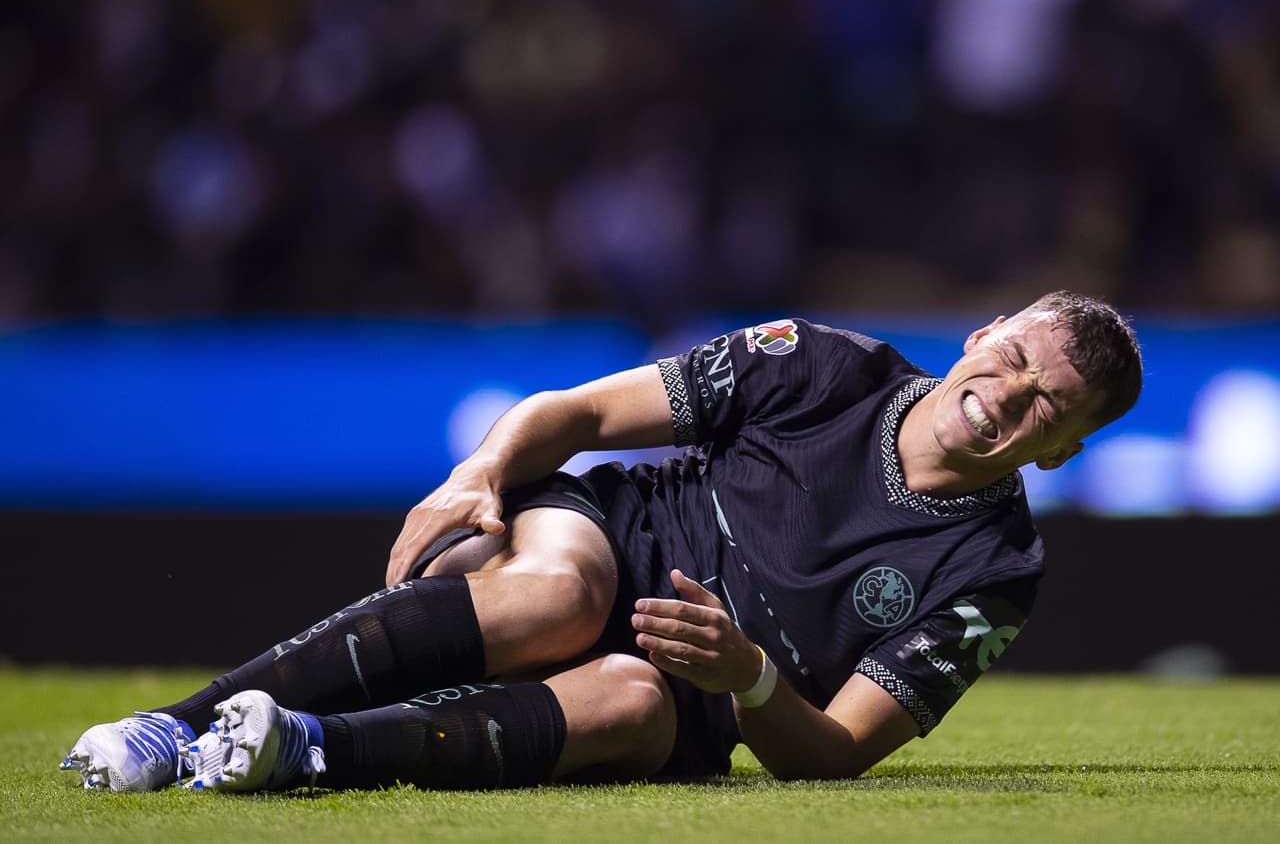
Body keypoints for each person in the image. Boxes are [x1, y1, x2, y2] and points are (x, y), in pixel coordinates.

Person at [61, 290, 1142, 793]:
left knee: (626, 697)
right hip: (606, 541)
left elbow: (842, 749)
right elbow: (572, 416)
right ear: (979, 336)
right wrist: (477, 473)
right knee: (557, 602)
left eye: (1048, 407)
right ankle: (171, 727)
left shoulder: (995, 573)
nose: (1008, 399)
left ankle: (296, 749)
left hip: (702, 691)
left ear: (1061, 454)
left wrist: (753, 676)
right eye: (1011, 361)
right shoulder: (823, 363)